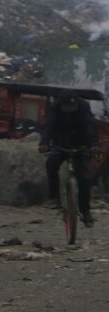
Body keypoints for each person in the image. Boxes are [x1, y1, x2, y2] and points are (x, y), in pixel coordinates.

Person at [39, 93, 98, 226]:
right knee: (51, 163)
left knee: (85, 178)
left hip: (80, 146)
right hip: (60, 145)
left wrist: (93, 144)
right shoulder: (55, 107)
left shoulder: (83, 106)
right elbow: (49, 125)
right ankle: (54, 197)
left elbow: (90, 126)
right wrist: (44, 142)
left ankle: (85, 211)